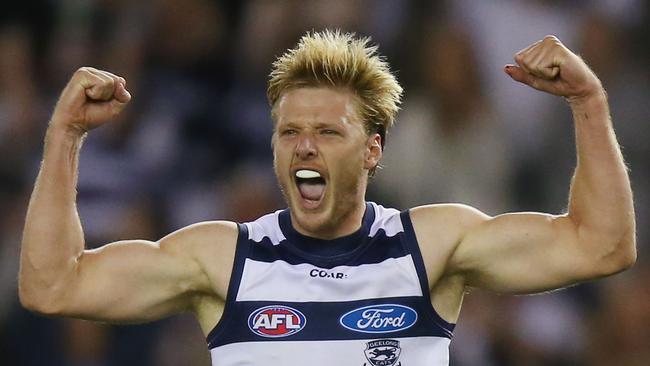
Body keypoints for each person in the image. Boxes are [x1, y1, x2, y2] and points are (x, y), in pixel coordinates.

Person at [19, 30, 635, 365]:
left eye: (326, 132)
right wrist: (66, 136)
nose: (304, 147)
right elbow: (52, 286)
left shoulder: (430, 247)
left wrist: (589, 104)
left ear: (372, 150)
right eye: (290, 132)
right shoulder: (223, 260)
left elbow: (602, 245)